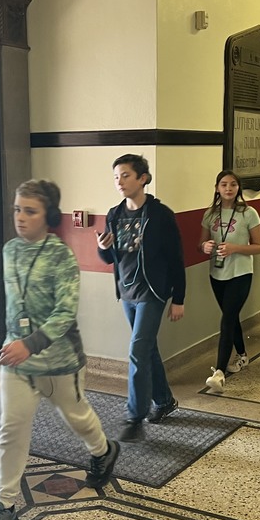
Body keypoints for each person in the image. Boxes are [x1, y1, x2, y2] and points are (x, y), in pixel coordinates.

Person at [0, 181, 120, 520]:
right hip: (17, 359)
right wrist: (15, 344)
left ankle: (103, 451)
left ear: (49, 216)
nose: (20, 218)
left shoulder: (61, 256)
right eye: (17, 209)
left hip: (57, 360)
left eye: (30, 211)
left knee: (78, 417)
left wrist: (32, 343)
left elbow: (65, 313)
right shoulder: (9, 251)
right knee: (12, 429)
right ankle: (3, 506)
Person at [96, 154, 185, 443]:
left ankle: (134, 416)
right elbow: (111, 257)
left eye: (125, 175)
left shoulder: (160, 215)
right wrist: (101, 247)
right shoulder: (114, 214)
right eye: (116, 177)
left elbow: (176, 259)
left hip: (153, 291)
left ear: (143, 178)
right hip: (128, 292)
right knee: (147, 349)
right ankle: (164, 400)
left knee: (137, 350)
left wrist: (179, 298)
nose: (119, 182)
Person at [198, 170, 260, 393]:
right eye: (224, 184)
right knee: (230, 315)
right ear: (217, 188)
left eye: (233, 185)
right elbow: (201, 244)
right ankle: (243, 355)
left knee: (227, 318)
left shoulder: (249, 213)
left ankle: (218, 373)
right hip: (217, 274)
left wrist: (236, 248)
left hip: (241, 273)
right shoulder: (210, 214)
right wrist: (205, 247)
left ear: (239, 188)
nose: (228, 188)